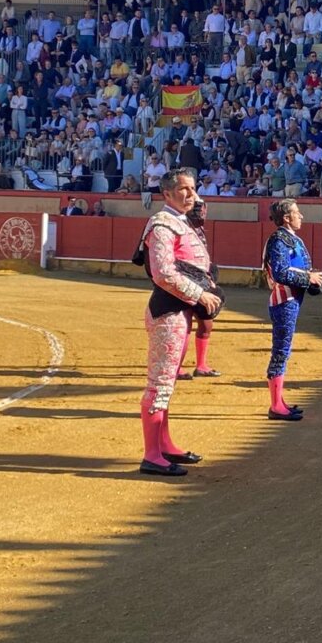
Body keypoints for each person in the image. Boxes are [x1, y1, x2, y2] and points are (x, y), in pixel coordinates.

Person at [135, 168, 222, 477]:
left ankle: (165, 445)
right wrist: (200, 295)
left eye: (193, 187)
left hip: (179, 312)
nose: (190, 194)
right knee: (159, 383)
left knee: (167, 383)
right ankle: (151, 455)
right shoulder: (161, 224)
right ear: (167, 194)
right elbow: (162, 273)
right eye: (183, 189)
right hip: (168, 313)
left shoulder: (182, 223)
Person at [262, 199, 322, 420]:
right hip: (284, 301)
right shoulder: (279, 240)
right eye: (297, 213)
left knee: (284, 351)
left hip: (291, 300)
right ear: (287, 218)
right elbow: (280, 273)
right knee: (281, 351)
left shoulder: (290, 239)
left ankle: (279, 402)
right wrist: (308, 277)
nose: (301, 216)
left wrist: (312, 281)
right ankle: (275, 406)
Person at [177, 200, 220, 379]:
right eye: (197, 212)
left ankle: (201, 365)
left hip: (203, 281)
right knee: (184, 325)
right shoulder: (179, 228)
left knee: (206, 323)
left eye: (202, 211)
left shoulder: (199, 231)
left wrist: (209, 278)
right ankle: (176, 367)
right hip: (185, 282)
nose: (201, 215)